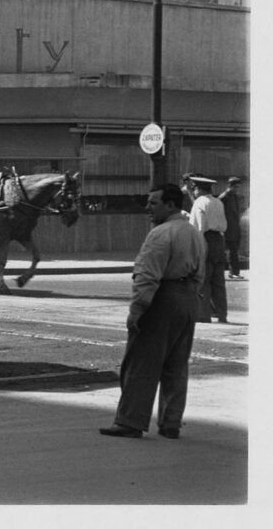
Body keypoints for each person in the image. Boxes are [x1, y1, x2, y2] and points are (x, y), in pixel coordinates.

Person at [100, 183, 205, 439]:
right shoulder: (194, 233)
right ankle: (171, 422)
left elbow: (147, 277)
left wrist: (136, 311)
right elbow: (202, 272)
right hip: (188, 299)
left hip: (162, 299)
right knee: (176, 365)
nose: (148, 207)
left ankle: (130, 421)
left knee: (141, 363)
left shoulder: (160, 234)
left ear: (170, 204)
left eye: (153, 203)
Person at [185, 174, 228, 323]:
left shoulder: (199, 203)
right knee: (219, 281)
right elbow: (222, 224)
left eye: (195, 188)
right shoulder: (218, 202)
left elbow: (199, 227)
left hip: (205, 240)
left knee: (203, 279)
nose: (194, 191)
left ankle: (203, 314)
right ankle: (222, 314)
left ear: (199, 189)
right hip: (219, 240)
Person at [219, 176, 245, 279]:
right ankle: (234, 272)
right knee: (232, 251)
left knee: (234, 251)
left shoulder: (235, 197)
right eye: (235, 187)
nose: (237, 189)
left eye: (238, 187)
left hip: (235, 228)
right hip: (228, 228)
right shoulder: (223, 197)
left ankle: (234, 272)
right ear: (229, 186)